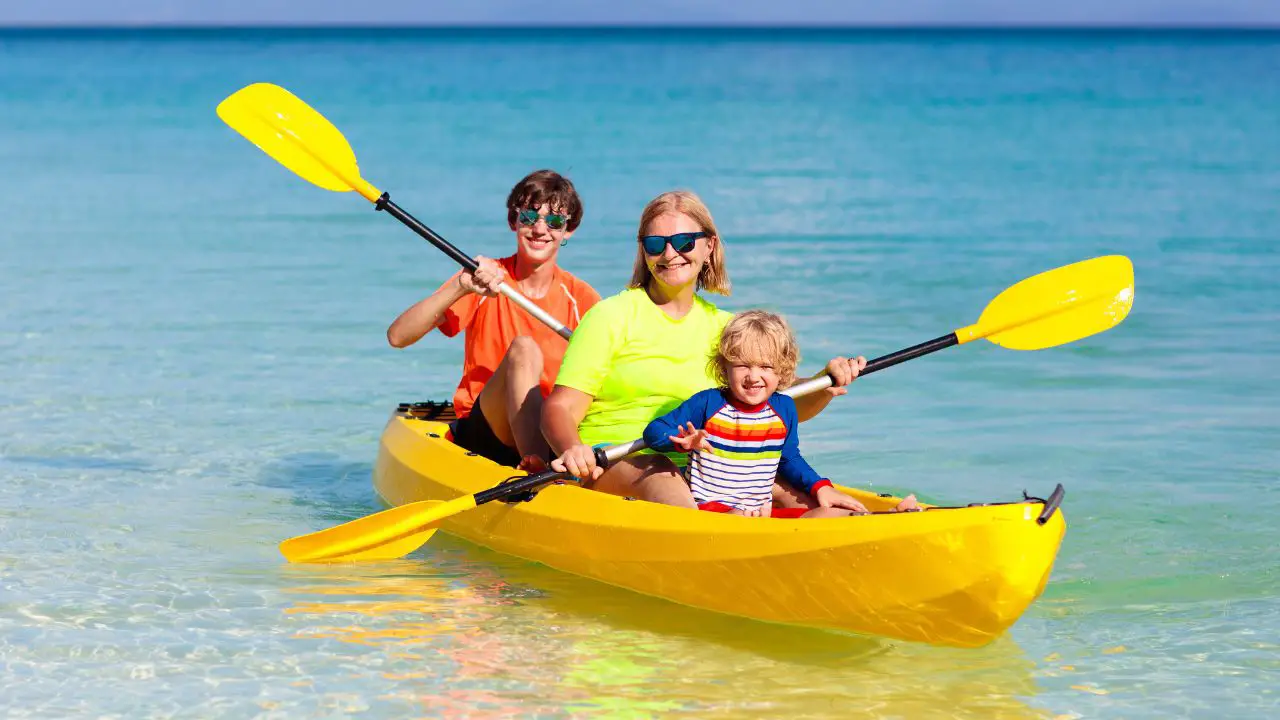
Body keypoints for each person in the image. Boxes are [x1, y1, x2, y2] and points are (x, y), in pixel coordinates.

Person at [542, 190, 865, 508]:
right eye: (656, 245)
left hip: (711, 462)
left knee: (812, 501)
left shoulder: (725, 327)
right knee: (664, 477)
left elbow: (776, 406)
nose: (670, 254)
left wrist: (825, 383)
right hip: (614, 458)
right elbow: (560, 408)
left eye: (684, 242)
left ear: (709, 246)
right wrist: (572, 449)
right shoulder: (610, 315)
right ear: (644, 251)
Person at [387, 170, 600, 467]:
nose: (540, 229)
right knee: (523, 349)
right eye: (529, 218)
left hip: (553, 430)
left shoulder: (583, 299)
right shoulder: (485, 279)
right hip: (486, 429)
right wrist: (459, 287)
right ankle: (535, 464)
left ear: (568, 230)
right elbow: (398, 337)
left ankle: (558, 465)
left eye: (554, 221)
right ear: (513, 221)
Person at [643, 310, 921, 518]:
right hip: (712, 511)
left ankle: (890, 516)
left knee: (828, 512)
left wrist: (820, 487)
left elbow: (789, 459)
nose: (754, 376)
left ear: (782, 370)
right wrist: (680, 440)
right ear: (724, 366)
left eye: (765, 366)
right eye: (742, 365)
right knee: (738, 518)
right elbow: (654, 431)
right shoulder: (708, 403)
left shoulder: (783, 408)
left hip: (760, 512)